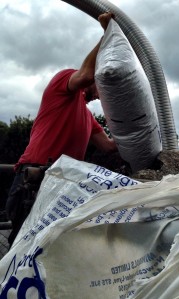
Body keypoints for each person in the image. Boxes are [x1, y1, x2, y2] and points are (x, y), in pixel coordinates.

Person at [5, 12, 117, 247]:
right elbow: (86, 75)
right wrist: (107, 33)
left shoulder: (87, 116)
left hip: (62, 184)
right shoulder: (64, 82)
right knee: (22, 246)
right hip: (34, 179)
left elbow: (108, 146)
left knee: (48, 249)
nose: (100, 94)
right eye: (101, 84)